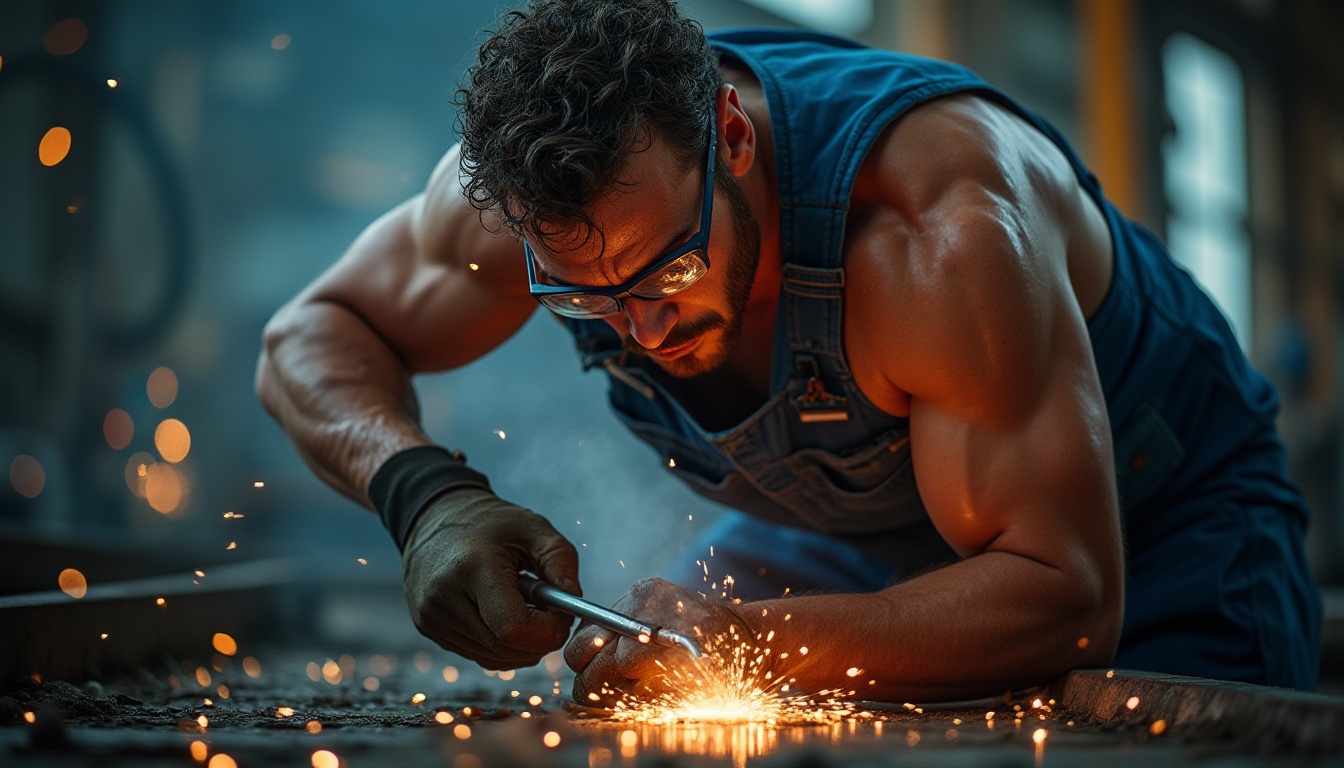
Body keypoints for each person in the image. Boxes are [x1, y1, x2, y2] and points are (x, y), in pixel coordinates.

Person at [256, 0, 1322, 703]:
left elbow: (1066, 593)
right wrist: (423, 495)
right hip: (859, 540)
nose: (643, 326)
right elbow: (306, 337)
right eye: (587, 296)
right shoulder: (527, 207)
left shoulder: (937, 229)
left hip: (1159, 540)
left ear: (730, 136)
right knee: (634, 690)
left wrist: (759, 644)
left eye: (667, 269)